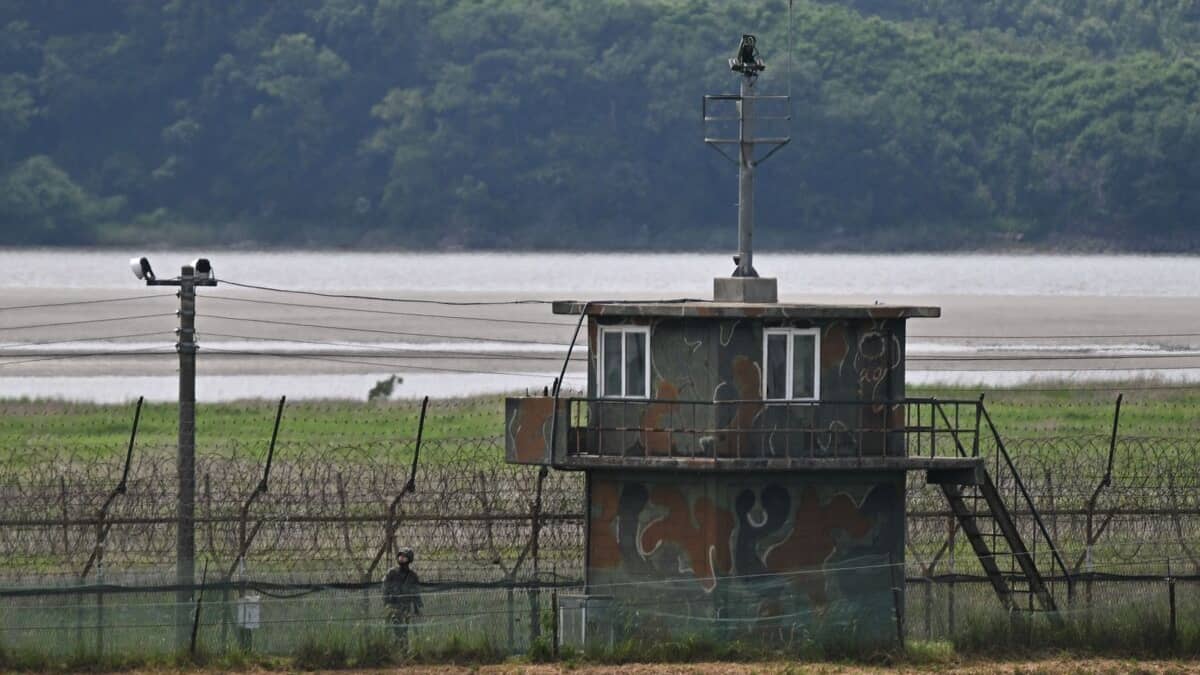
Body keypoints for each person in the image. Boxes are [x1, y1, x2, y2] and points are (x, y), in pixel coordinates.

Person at [382, 548, 422, 647]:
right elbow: (385, 587)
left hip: (406, 606)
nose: (401, 558)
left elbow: (416, 592)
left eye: (404, 557)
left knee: (404, 628)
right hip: (393, 604)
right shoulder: (391, 572)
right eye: (400, 556)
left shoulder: (412, 576)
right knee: (395, 624)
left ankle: (402, 648)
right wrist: (386, 600)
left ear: (409, 559)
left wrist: (417, 607)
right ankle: (397, 646)